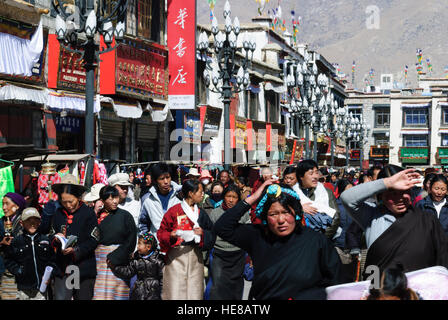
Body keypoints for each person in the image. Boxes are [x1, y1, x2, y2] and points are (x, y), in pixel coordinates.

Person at [214, 179, 341, 300]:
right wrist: (252, 198)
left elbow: (335, 282)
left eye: (286, 212)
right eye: (273, 214)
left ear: (296, 212)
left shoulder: (316, 241)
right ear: (265, 216)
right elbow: (222, 227)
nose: (281, 220)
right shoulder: (257, 235)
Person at [340, 165, 448, 275]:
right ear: (382, 195)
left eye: (405, 191)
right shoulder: (372, 216)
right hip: (380, 287)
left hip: (418, 289)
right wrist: (387, 182)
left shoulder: (427, 221)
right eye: (393, 193)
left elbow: (442, 261)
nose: (400, 198)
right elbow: (347, 198)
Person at [157, 179, 215, 300]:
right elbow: (161, 232)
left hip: (195, 257)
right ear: (190, 193)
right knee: (175, 293)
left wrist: (203, 234)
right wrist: (170, 235)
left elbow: (212, 233)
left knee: (195, 293)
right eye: (200, 191)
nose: (202, 194)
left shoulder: (201, 213)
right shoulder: (174, 211)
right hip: (176, 258)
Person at [47, 174, 99, 300]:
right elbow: (50, 235)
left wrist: (76, 250)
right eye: (64, 202)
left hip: (83, 268)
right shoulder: (58, 214)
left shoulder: (88, 214)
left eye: (71, 201)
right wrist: (56, 239)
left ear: (78, 197)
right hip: (64, 268)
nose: (68, 205)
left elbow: (94, 240)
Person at [93, 185, 137, 300]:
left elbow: (131, 239)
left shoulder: (125, 216)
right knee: (99, 294)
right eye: (110, 198)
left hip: (118, 261)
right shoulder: (96, 217)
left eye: (116, 197)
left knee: (118, 293)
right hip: (99, 262)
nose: (114, 201)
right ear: (102, 200)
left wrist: (116, 256)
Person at [4, 208, 57, 300]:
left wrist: (49, 275)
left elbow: (52, 260)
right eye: (28, 221)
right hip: (23, 288)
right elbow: (8, 259)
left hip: (41, 288)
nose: (32, 224)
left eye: (35, 221)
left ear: (39, 222)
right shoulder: (16, 241)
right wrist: (18, 270)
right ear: (22, 223)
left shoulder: (45, 240)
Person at [208, 184, 250, 300]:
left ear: (238, 199)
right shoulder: (215, 213)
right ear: (223, 197)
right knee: (218, 285)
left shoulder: (244, 214)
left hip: (238, 255)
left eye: (234, 197)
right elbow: (210, 235)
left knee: (236, 286)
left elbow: (247, 234)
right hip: (219, 254)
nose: (231, 200)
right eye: (228, 196)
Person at [293, 160, 340, 239]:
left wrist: (321, 238)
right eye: (311, 173)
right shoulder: (292, 193)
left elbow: (336, 217)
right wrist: (299, 208)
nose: (315, 176)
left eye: (316, 172)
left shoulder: (326, 192)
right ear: (301, 176)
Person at [110, 232, 164, 300]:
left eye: (139, 244)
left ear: (148, 247)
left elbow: (163, 278)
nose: (137, 246)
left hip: (154, 293)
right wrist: (115, 267)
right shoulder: (137, 260)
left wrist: (162, 292)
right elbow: (128, 271)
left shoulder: (158, 261)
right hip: (138, 291)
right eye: (137, 244)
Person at [139, 163, 181, 241]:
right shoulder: (147, 199)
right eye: (162, 179)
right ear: (155, 181)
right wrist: (148, 242)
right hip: (157, 245)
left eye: (168, 177)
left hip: (178, 245)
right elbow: (143, 223)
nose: (166, 182)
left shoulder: (180, 196)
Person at [0, 192, 26, 299]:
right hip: (5, 270)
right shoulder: (1, 222)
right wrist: (1, 243)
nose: (4, 207)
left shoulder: (25, 222)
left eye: (7, 204)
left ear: (17, 206)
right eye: (2, 204)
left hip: (21, 268)